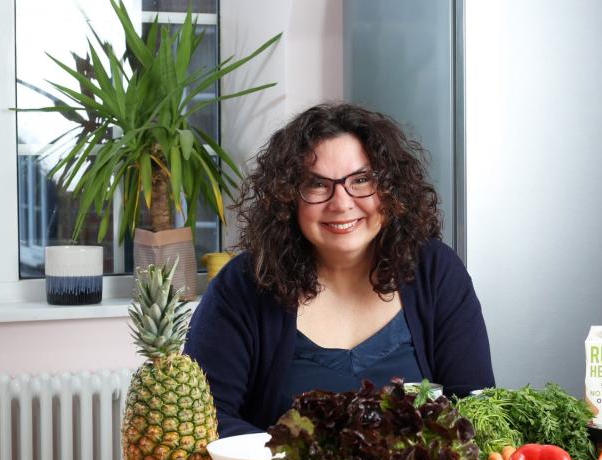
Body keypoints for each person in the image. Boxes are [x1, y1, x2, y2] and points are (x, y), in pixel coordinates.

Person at [185, 103, 495, 437]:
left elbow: (475, 407)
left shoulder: (436, 271)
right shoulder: (243, 284)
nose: (341, 203)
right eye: (317, 184)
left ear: (391, 189)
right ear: (288, 197)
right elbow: (205, 420)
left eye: (361, 180)